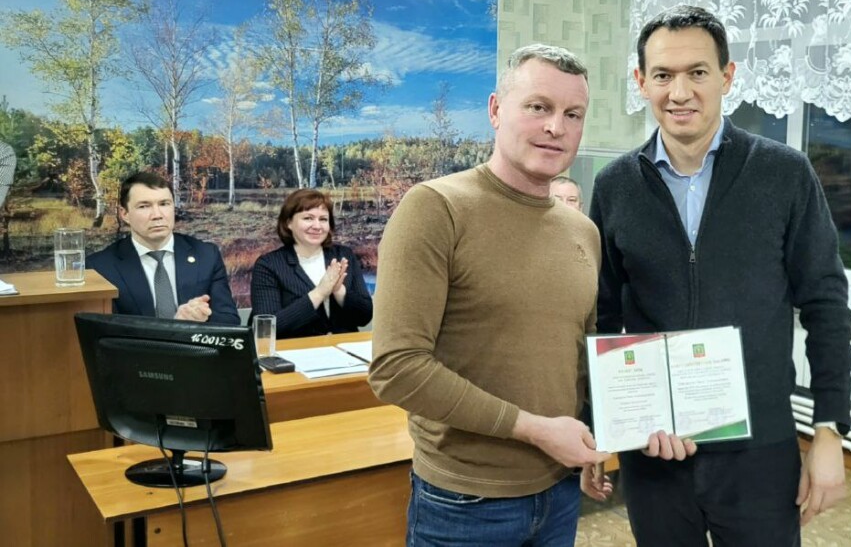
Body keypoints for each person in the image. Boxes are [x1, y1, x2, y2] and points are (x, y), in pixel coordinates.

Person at [584, 5, 851, 546]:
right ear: (641, 81)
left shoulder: (784, 173)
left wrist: (830, 429)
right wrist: (600, 423)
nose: (679, 92)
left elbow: (826, 303)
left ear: (727, 77)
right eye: (663, 75)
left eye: (698, 73)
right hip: (654, 450)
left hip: (759, 451)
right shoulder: (615, 185)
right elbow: (602, 315)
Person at [366, 44, 609, 547]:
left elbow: (580, 359)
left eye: (573, 114)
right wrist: (535, 429)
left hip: (561, 490)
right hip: (465, 504)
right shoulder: (435, 208)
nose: (556, 127)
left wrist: (592, 435)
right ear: (496, 110)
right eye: (538, 107)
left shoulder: (583, 231)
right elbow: (396, 368)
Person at [88, 171, 238, 325]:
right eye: (144, 206)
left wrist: (200, 319)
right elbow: (104, 331)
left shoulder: (206, 255)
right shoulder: (100, 268)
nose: (157, 215)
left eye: (164, 204)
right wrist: (177, 327)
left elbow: (229, 321)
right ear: (125, 214)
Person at [249, 189, 373, 339]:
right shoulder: (269, 265)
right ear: (288, 222)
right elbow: (267, 328)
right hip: (296, 350)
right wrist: (319, 293)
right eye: (308, 218)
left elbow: (364, 317)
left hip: (344, 348)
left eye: (323, 219)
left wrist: (339, 291)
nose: (317, 226)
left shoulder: (343, 255)